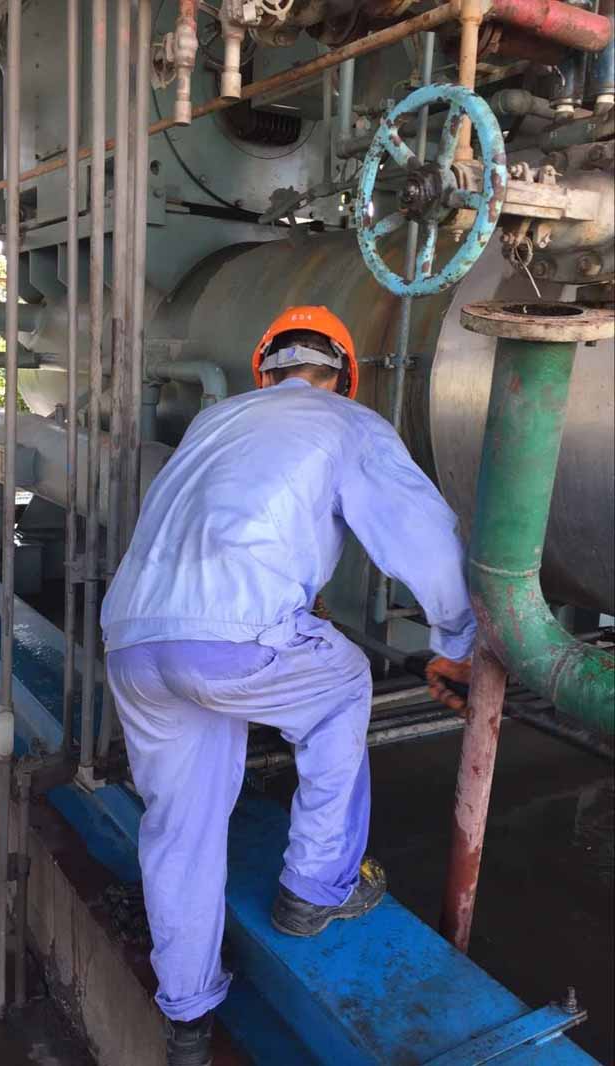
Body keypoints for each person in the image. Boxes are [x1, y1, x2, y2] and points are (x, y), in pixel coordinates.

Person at [102, 305, 476, 1066]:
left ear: (262, 369)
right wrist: (457, 643)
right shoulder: (348, 423)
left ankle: (186, 1016)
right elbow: (425, 540)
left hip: (134, 641)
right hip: (232, 640)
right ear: (345, 376)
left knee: (179, 825)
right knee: (343, 684)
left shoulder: (213, 423)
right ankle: (315, 887)